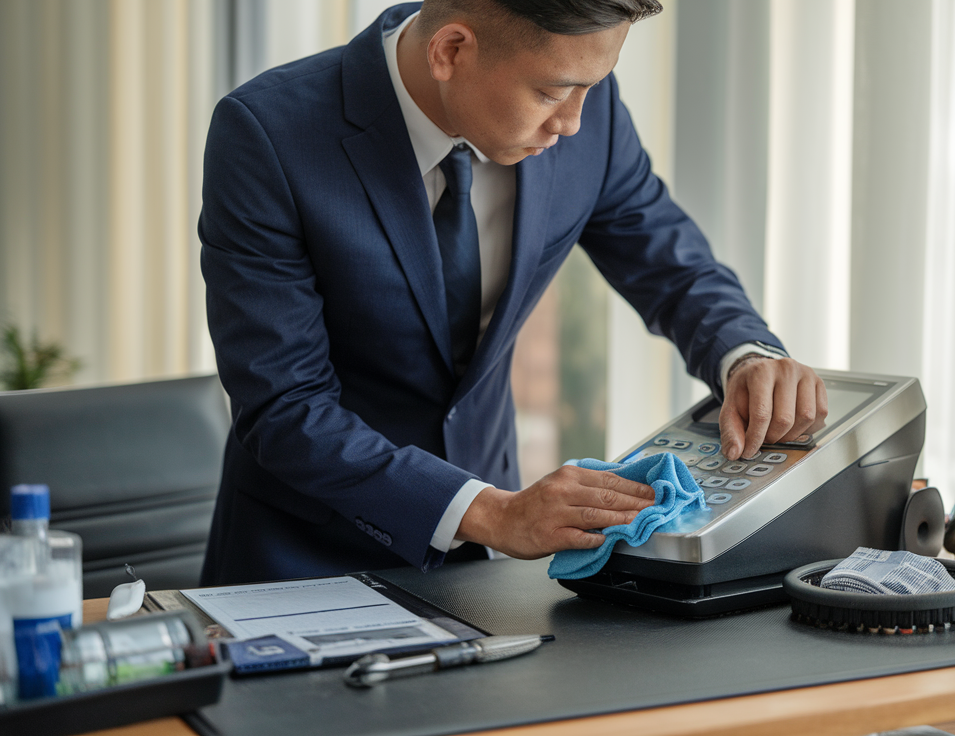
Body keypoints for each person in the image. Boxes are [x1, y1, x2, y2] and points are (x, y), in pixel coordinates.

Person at [197, 0, 826, 586]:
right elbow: (286, 406)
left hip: (486, 572)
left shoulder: (585, 112)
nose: (574, 121)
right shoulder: (269, 134)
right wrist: (491, 512)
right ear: (450, 51)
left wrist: (745, 355)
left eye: (593, 87)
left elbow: (670, 263)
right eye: (553, 92)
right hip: (302, 564)